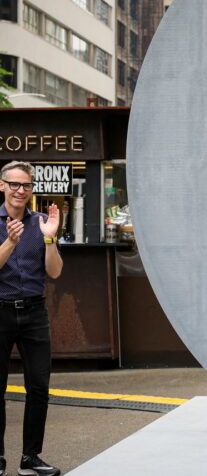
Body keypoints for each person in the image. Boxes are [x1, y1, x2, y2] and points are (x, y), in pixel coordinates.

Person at [0, 161, 62, 476]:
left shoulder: (41, 223)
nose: (20, 190)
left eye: (26, 185)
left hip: (34, 311)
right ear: (2, 185)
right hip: (1, 310)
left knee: (39, 387)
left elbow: (54, 271)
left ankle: (31, 458)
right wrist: (10, 242)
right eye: (14, 184)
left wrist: (50, 238)